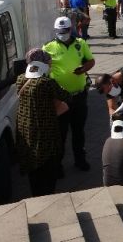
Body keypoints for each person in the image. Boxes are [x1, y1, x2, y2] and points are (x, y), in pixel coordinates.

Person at [43, 17, 96, 171]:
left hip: (79, 96)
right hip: (60, 99)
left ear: (70, 29)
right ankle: (58, 165)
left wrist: (82, 69)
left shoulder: (81, 44)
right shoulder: (48, 47)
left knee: (78, 131)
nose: (62, 34)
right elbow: (44, 70)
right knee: (61, 133)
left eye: (65, 31)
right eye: (59, 32)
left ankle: (80, 160)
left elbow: (91, 61)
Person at [15, 48, 69, 196]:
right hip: (44, 130)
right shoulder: (46, 83)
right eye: (49, 62)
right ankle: (47, 194)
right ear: (43, 63)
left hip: (26, 130)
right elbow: (66, 96)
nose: (50, 64)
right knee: (48, 168)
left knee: (33, 168)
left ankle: (36, 193)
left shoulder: (20, 79)